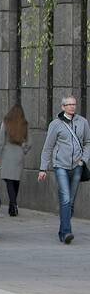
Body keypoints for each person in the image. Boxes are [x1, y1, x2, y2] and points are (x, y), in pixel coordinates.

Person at [38, 96, 90, 244]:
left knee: (71, 202)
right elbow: (48, 147)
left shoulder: (83, 122)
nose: (72, 107)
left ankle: (62, 230)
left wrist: (83, 160)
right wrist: (43, 168)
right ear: (63, 107)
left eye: (74, 104)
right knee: (65, 199)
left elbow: (88, 142)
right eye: (69, 104)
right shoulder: (56, 124)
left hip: (77, 166)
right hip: (60, 165)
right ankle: (67, 232)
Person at [0, 104, 31, 216]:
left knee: (9, 180)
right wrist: (23, 149)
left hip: (7, 154)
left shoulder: (5, 122)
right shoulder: (24, 124)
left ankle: (13, 204)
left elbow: (1, 141)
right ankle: (13, 206)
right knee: (15, 179)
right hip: (19, 154)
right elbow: (29, 142)